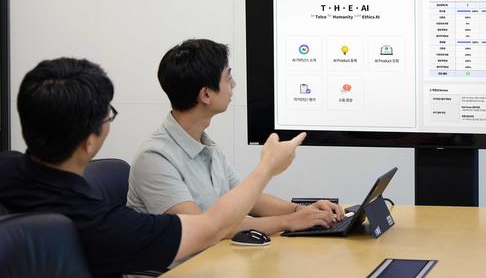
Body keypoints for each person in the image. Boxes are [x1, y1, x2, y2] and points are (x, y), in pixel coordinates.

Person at [0, 57, 305, 278]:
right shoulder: (106, 225)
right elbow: (211, 228)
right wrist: (267, 167)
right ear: (89, 143)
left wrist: (296, 212)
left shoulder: (7, 167)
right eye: (108, 115)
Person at [127, 39, 343, 236]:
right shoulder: (154, 158)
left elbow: (250, 199)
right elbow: (202, 229)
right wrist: (288, 220)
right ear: (206, 94)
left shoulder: (205, 144)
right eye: (228, 78)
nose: (233, 85)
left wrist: (302, 210)